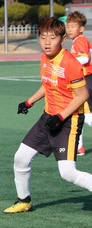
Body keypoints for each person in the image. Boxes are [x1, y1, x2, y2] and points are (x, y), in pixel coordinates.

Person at [4, 17, 92, 214]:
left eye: (52, 38)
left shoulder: (70, 63)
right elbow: (47, 84)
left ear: (62, 40)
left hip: (68, 121)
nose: (47, 42)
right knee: (21, 158)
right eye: (43, 37)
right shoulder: (45, 58)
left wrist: (61, 116)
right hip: (47, 118)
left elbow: (83, 95)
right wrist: (29, 101)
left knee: (68, 173)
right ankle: (24, 201)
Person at [66, 11, 92, 156]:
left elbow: (85, 59)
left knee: (86, 115)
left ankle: (79, 146)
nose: (69, 29)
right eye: (68, 26)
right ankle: (79, 147)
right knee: (77, 113)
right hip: (83, 81)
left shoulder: (80, 40)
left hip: (85, 81)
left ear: (81, 28)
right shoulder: (78, 40)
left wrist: (69, 64)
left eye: (73, 26)